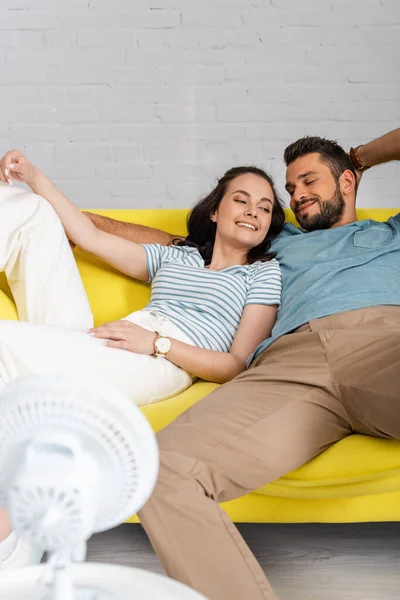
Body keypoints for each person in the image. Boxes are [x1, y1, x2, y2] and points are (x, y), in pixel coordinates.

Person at [52, 127, 399, 600]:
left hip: (382, 344)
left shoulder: (390, 232)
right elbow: (177, 246)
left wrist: (359, 157)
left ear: (346, 183)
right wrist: (50, 211)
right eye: (291, 188)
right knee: (161, 469)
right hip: (285, 370)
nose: (296, 196)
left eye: (309, 181)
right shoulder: (272, 244)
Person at [0, 157, 285, 570]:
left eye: (264, 208)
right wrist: (33, 176)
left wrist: (158, 343)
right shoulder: (177, 257)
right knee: (32, 211)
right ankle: (25, 531)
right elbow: (88, 237)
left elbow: (235, 364)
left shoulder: (261, 274)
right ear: (215, 210)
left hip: (157, 359)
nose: (253, 212)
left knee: (4, 342)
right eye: (242, 200)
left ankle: (11, 525)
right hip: (108, 341)